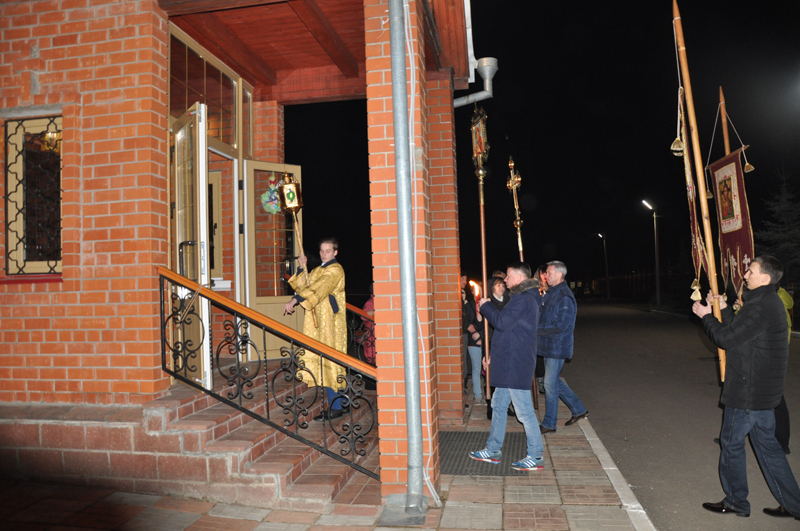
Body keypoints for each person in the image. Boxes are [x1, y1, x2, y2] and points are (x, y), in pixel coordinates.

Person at [692, 255, 800, 520]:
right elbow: (742, 333)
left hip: (748, 391)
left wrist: (707, 317)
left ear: (765, 278)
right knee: (768, 448)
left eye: (751, 271)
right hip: (761, 391)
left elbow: (726, 338)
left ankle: (736, 501)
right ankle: (794, 505)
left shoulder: (761, 305)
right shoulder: (765, 303)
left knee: (731, 443)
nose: (745, 275)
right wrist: (723, 309)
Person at [469, 262, 544, 471]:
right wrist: (494, 356)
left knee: (524, 411)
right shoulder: (522, 298)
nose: (505, 280)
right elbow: (509, 332)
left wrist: (486, 306)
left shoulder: (523, 299)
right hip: (509, 361)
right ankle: (493, 450)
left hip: (515, 364)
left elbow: (501, 322)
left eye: (508, 276)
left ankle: (536, 455)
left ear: (519, 278)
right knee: (498, 405)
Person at [283, 238, 348, 421]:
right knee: (325, 360)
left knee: (330, 362)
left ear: (335, 252)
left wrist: (295, 300)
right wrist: (301, 267)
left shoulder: (335, 270)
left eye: (328, 251)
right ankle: (343, 403)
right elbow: (305, 285)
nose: (324, 254)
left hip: (331, 325)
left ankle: (336, 406)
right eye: (321, 251)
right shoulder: (319, 269)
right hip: (319, 322)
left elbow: (320, 287)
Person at [538, 260, 588, 434]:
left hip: (557, 347)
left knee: (549, 384)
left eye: (549, 273)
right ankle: (579, 410)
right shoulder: (551, 293)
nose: (546, 276)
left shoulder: (564, 296)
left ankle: (549, 423)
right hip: (549, 345)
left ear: (559, 274)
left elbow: (560, 325)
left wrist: (536, 329)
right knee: (553, 382)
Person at [462, 276, 485, 404]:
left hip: (485, 340)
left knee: (488, 369)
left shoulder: (487, 304)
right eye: (477, 289)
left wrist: (481, 337)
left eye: (481, 289)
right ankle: (478, 395)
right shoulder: (469, 304)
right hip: (473, 341)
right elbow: (472, 323)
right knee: (476, 369)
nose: (479, 291)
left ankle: (489, 393)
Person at [533, 265, 549, 394]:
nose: (544, 277)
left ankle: (546, 379)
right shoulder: (534, 288)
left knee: (546, 355)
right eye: (542, 274)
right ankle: (540, 380)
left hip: (547, 325)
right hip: (536, 325)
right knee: (538, 355)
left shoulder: (551, 289)